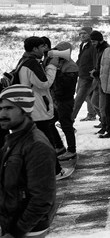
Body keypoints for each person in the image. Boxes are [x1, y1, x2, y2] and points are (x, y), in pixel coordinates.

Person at [0, 85, 57, 238]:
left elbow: (42, 199)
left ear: (24, 110)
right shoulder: (13, 140)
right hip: (12, 223)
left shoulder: (36, 146)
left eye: (8, 108)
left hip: (28, 230)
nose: (2, 114)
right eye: (1, 108)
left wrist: (15, 232)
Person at [17, 36, 71, 180]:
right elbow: (44, 83)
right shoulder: (32, 64)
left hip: (32, 108)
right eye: (42, 47)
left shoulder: (25, 61)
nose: (45, 49)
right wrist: (52, 66)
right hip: (37, 109)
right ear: (34, 49)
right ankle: (55, 172)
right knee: (46, 143)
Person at [48, 42, 79, 161]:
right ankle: (59, 146)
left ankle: (71, 150)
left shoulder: (71, 66)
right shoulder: (61, 63)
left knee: (66, 125)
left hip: (65, 100)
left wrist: (56, 71)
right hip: (57, 100)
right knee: (50, 122)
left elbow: (66, 86)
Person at [71, 26, 97, 122]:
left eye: (84, 33)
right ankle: (98, 117)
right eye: (80, 33)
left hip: (88, 77)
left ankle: (69, 120)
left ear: (90, 34)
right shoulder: (83, 45)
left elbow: (95, 61)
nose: (82, 35)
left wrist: (94, 72)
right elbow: (81, 59)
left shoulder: (92, 46)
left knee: (79, 99)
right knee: (88, 96)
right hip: (82, 74)